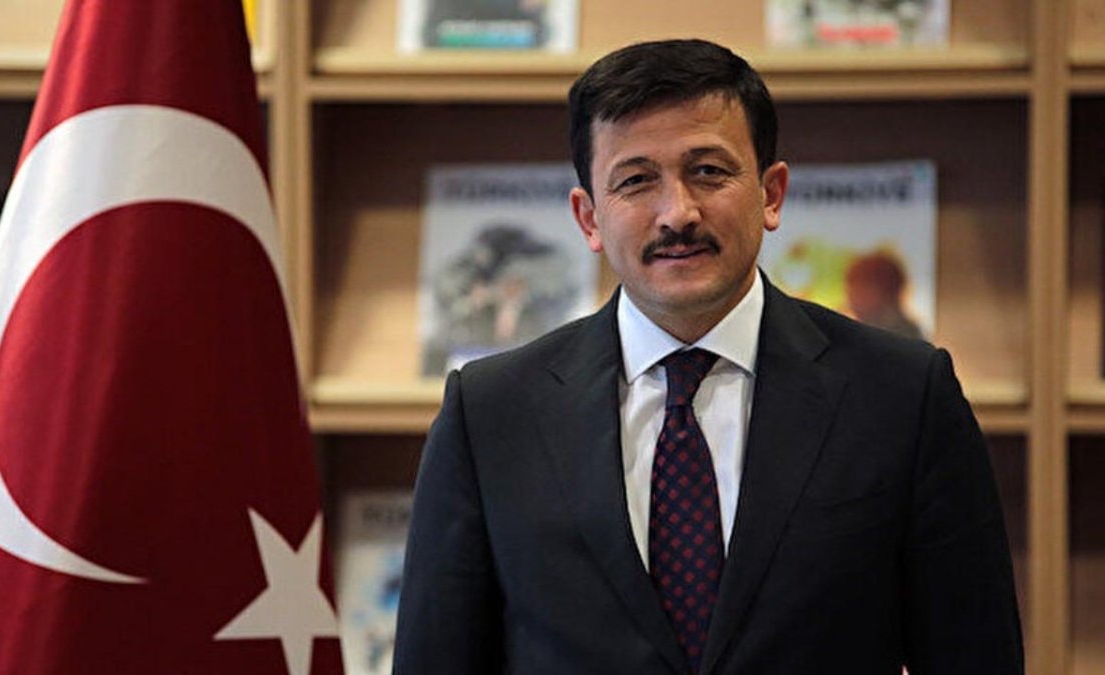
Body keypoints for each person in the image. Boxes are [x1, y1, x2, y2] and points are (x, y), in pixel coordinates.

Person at [393, 39, 1023, 674]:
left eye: (709, 172)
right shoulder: (490, 412)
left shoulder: (904, 395)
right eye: (636, 181)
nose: (678, 213)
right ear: (588, 218)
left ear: (771, 194)